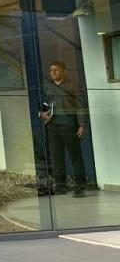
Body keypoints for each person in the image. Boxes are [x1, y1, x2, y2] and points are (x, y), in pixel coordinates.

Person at [40, 61, 87, 198]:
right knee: (56, 157)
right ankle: (60, 186)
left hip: (69, 125)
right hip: (53, 126)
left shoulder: (72, 86)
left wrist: (82, 124)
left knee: (75, 156)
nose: (53, 72)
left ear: (64, 71)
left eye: (56, 70)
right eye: (51, 70)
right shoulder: (48, 86)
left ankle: (81, 186)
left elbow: (81, 106)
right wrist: (42, 113)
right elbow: (44, 103)